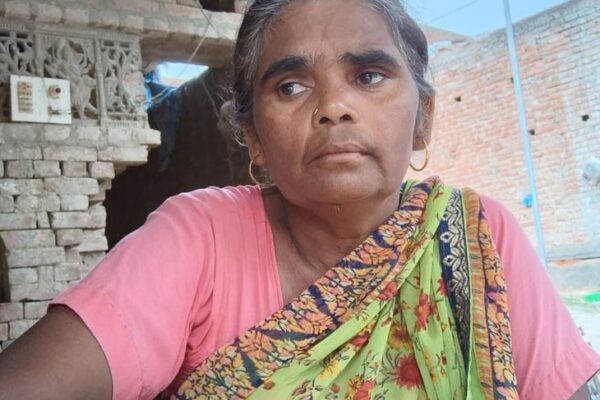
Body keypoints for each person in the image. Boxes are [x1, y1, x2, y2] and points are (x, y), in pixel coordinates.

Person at [0, 0, 598, 399]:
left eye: (368, 76)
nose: (333, 106)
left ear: (423, 119)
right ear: (254, 138)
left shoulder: (475, 236)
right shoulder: (200, 235)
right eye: (290, 86)